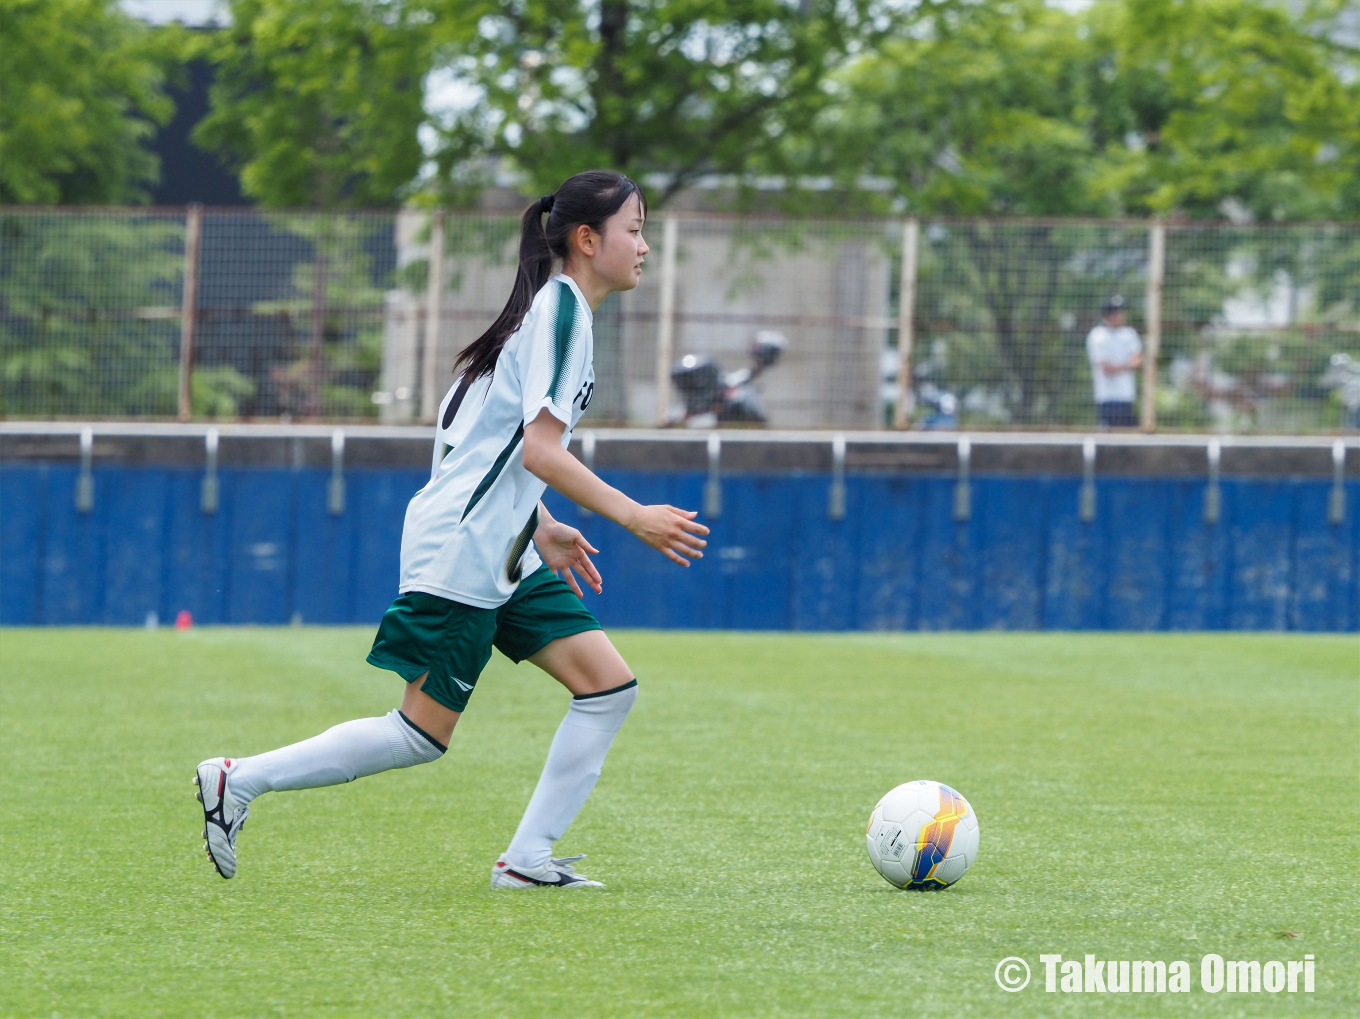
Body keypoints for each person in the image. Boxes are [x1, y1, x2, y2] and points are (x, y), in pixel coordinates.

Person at [194, 171, 709, 888]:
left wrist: (544, 525)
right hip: (465, 551)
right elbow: (537, 451)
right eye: (635, 228)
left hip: (504, 546)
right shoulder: (560, 314)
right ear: (588, 240)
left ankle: (527, 861)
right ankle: (236, 778)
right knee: (419, 733)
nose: (645, 245)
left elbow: (479, 449)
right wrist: (632, 516)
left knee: (607, 686)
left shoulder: (545, 316)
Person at [1085, 295, 1143, 428]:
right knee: (1107, 438)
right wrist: (1127, 365)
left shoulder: (1129, 333)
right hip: (1106, 397)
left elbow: (1138, 359)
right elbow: (1106, 368)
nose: (1121, 315)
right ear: (1108, 315)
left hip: (1126, 396)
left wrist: (1119, 367)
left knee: (1128, 436)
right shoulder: (1097, 335)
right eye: (1117, 312)